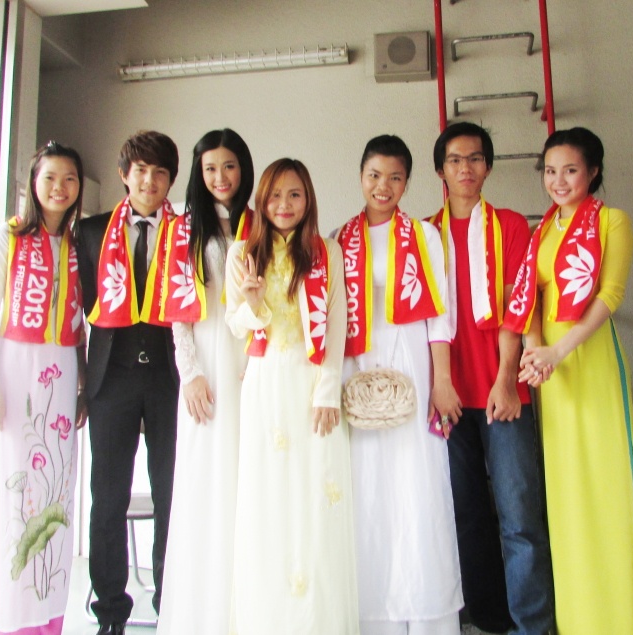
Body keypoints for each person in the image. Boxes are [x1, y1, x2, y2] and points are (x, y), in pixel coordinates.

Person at [508, 127, 633, 634]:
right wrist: (534, 353)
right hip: (552, 375)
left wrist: (558, 351)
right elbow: (529, 300)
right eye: (550, 171)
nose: (559, 181)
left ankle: (620, 622)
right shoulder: (541, 231)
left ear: (593, 171)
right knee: (565, 496)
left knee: (605, 491)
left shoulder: (613, 222)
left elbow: (609, 297)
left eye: (570, 170)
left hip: (589, 364)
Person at [428, 122, 554, 635]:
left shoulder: (511, 226)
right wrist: (438, 385)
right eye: (455, 160)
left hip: (505, 392)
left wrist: (506, 378)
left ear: (488, 166)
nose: (466, 168)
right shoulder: (424, 234)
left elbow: (517, 308)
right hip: (448, 395)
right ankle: (487, 619)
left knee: (520, 516)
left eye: (476, 158)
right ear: (440, 170)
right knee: (466, 515)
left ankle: (532, 624)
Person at [225, 158, 358, 634]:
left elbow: (337, 323)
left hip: (312, 382)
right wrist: (253, 303)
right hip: (265, 384)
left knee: (317, 497)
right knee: (269, 500)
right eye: (275, 195)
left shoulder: (326, 251)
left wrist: (327, 392)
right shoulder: (242, 253)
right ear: (262, 201)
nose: (284, 204)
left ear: (308, 200)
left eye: (295, 194)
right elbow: (235, 324)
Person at [336, 135, 463, 635]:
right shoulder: (339, 238)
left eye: (394, 177)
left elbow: (440, 315)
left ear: (407, 182)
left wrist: (442, 381)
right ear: (360, 176)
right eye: (374, 175)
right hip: (357, 370)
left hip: (412, 367)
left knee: (417, 486)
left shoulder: (425, 236)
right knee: (366, 488)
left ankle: (424, 611)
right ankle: (373, 616)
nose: (382, 186)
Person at [0, 141, 87, 635]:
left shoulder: (79, 245)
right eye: (50, 178)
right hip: (16, 370)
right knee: (16, 494)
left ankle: (47, 617)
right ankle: (9, 619)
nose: (59, 188)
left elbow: (83, 322)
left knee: (56, 494)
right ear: (32, 184)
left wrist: (82, 383)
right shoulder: (8, 236)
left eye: (69, 179)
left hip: (61, 373)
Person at [76, 130, 181, 635]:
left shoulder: (185, 232)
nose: (149, 180)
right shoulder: (91, 232)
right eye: (141, 170)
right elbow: (82, 306)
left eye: (160, 172)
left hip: (169, 378)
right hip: (111, 378)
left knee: (172, 495)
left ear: (170, 180)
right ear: (124, 175)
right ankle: (111, 613)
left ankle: (170, 603)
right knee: (108, 497)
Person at [156, 128, 254, 635]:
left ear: (244, 169)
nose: (221, 176)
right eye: (211, 168)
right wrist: (190, 373)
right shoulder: (184, 228)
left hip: (251, 363)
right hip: (207, 367)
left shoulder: (258, 223)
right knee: (205, 482)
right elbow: (178, 312)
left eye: (229, 166)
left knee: (248, 478)